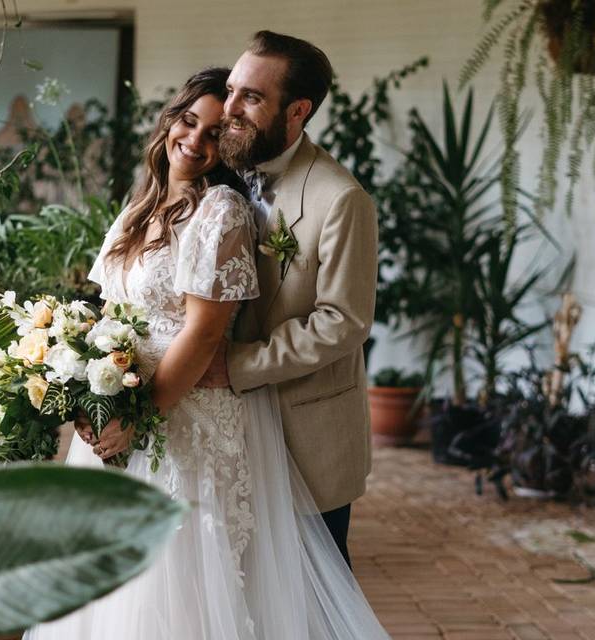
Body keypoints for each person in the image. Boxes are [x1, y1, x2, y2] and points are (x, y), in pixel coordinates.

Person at [24, 62, 387, 640]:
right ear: (169, 120)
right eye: (188, 121)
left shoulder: (224, 209)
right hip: (125, 410)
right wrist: (84, 387)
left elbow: (206, 331)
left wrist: (137, 418)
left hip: (181, 416)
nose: (195, 140)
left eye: (215, 132)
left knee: (182, 586)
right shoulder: (138, 206)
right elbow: (110, 314)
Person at [200, 30, 378, 569]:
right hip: (222, 428)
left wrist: (236, 365)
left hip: (303, 434)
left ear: (297, 110)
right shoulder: (218, 166)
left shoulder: (342, 200)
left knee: (315, 599)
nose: (228, 108)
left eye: (251, 97)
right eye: (231, 90)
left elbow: (342, 322)